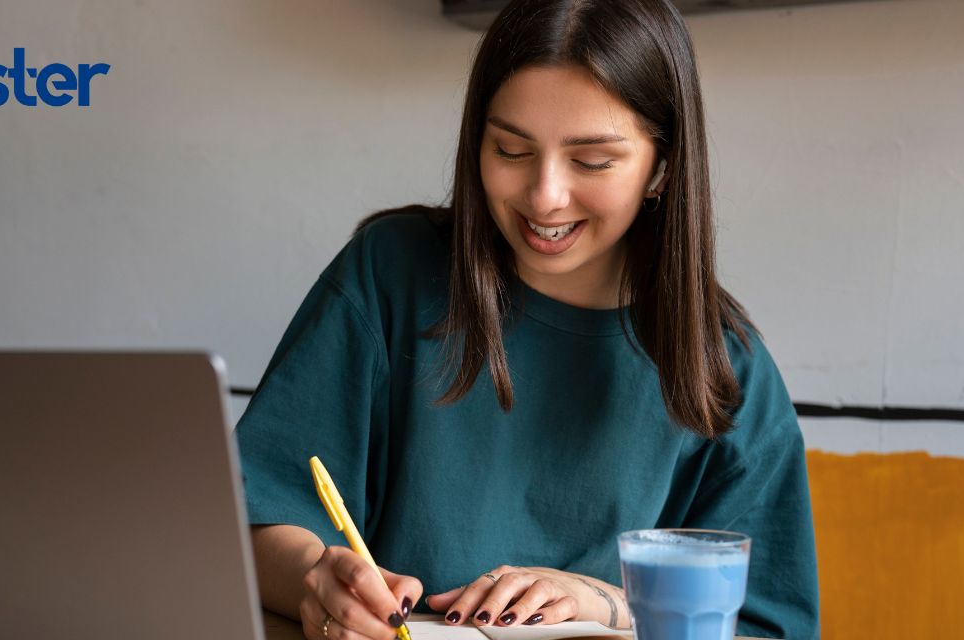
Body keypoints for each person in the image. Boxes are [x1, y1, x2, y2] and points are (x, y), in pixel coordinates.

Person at [236, 0, 820, 638]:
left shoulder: (727, 370)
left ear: (664, 165)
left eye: (592, 161)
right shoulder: (390, 275)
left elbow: (767, 624)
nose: (544, 196)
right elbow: (253, 515)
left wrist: (607, 602)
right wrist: (317, 579)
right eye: (510, 149)